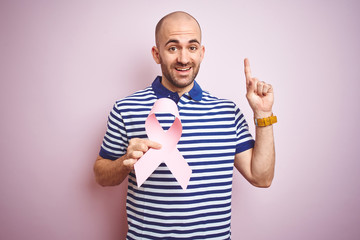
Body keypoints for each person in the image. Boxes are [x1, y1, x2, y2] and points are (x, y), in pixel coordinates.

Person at [94, 11, 276, 240]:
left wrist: (263, 114)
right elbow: (101, 175)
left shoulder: (228, 112)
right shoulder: (125, 108)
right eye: (172, 48)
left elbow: (261, 178)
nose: (183, 58)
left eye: (191, 47)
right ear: (156, 53)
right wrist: (124, 163)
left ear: (201, 53)